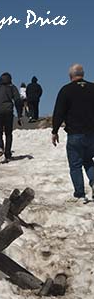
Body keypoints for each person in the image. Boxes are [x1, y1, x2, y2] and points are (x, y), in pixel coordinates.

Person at [52, 63, 94, 203]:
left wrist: (55, 130)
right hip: (92, 133)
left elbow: (59, 112)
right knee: (88, 160)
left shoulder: (66, 90)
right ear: (83, 74)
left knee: (75, 164)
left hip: (75, 133)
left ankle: (80, 194)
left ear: (70, 76)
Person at [0, 72, 22, 163]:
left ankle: (0, 147)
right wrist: (19, 115)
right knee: (8, 133)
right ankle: (7, 154)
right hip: (8, 112)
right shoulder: (11, 87)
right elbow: (18, 100)